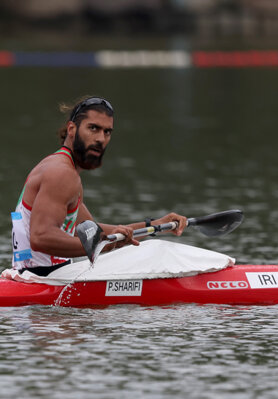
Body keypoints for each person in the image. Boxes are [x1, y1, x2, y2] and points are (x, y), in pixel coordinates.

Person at [11, 96, 187, 276]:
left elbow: (92, 232)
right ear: (72, 129)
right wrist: (105, 243)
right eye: (93, 128)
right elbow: (41, 238)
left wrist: (154, 225)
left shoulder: (60, 169)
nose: (101, 139)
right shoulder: (61, 174)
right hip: (43, 281)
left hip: (38, 277)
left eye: (107, 132)